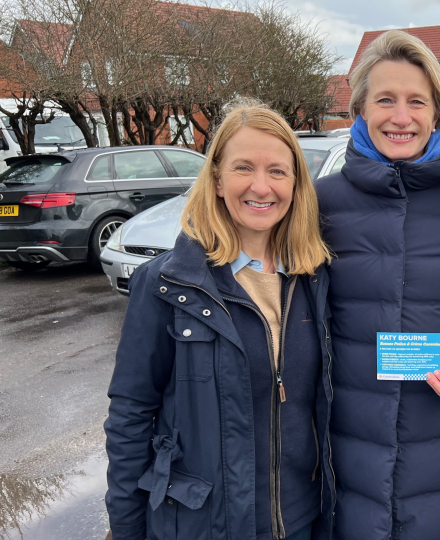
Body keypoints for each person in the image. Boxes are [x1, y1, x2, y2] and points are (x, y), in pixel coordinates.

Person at [104, 103, 336, 540]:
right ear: (216, 179)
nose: (261, 186)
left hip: (301, 521)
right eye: (243, 167)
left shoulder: (313, 279)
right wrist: (126, 527)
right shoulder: (166, 284)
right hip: (205, 524)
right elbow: (130, 415)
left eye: (278, 171)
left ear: (296, 184)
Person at [314, 30, 440, 540]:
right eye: (385, 100)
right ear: (361, 110)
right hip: (346, 450)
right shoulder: (322, 201)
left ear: (436, 111)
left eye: (417, 101)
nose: (401, 117)